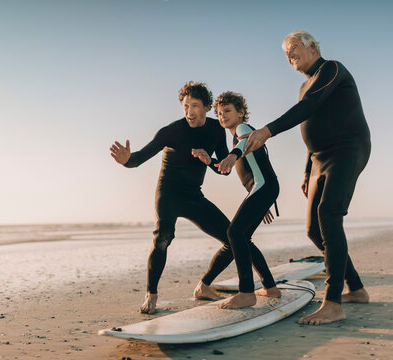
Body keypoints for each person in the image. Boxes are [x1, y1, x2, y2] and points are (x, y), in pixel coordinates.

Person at [239, 30, 371, 324]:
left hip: (348, 148)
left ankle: (333, 302)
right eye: (285, 54)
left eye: (293, 48)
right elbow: (311, 124)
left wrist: (266, 131)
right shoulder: (303, 87)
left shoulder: (332, 69)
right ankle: (357, 289)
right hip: (319, 159)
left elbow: (308, 107)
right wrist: (307, 168)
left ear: (312, 46)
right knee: (314, 230)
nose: (289, 56)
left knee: (329, 213)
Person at [110, 81, 235, 314]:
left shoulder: (216, 130)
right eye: (185, 105)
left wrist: (210, 161)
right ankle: (152, 295)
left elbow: (223, 168)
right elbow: (138, 159)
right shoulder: (171, 131)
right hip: (168, 193)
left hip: (193, 195)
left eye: (195, 105)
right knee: (164, 236)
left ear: (207, 107)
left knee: (233, 239)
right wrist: (126, 160)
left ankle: (204, 286)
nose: (189, 111)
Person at [192, 91, 281, 309]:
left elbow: (243, 144)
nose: (222, 116)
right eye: (220, 113)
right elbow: (235, 168)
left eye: (228, 111)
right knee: (243, 238)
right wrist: (210, 161)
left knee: (234, 233)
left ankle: (246, 293)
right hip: (262, 189)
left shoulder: (243, 130)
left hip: (263, 188)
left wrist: (232, 156)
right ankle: (270, 287)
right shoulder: (235, 137)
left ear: (241, 113)